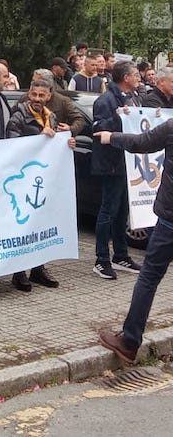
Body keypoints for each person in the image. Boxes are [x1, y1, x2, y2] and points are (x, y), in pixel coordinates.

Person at [96, 119, 173, 363]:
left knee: (149, 277)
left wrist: (112, 137)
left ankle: (129, 341)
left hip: (170, 221)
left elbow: (142, 143)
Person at [5, 77, 73, 291]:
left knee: (41, 223)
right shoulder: (18, 117)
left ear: (49, 96)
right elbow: (11, 145)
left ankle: (38, 268)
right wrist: (39, 136)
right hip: (23, 180)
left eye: (41, 95)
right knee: (23, 224)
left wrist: (67, 141)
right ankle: (18, 272)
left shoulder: (51, 118)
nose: (36, 99)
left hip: (43, 179)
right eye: (33, 95)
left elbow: (54, 145)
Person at [91, 61, 143, 280]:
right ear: (125, 77)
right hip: (111, 163)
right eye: (136, 75)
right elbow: (97, 128)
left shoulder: (132, 97)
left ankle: (120, 255)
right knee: (108, 211)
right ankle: (101, 259)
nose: (139, 78)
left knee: (122, 211)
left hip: (126, 164)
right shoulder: (106, 100)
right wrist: (119, 116)